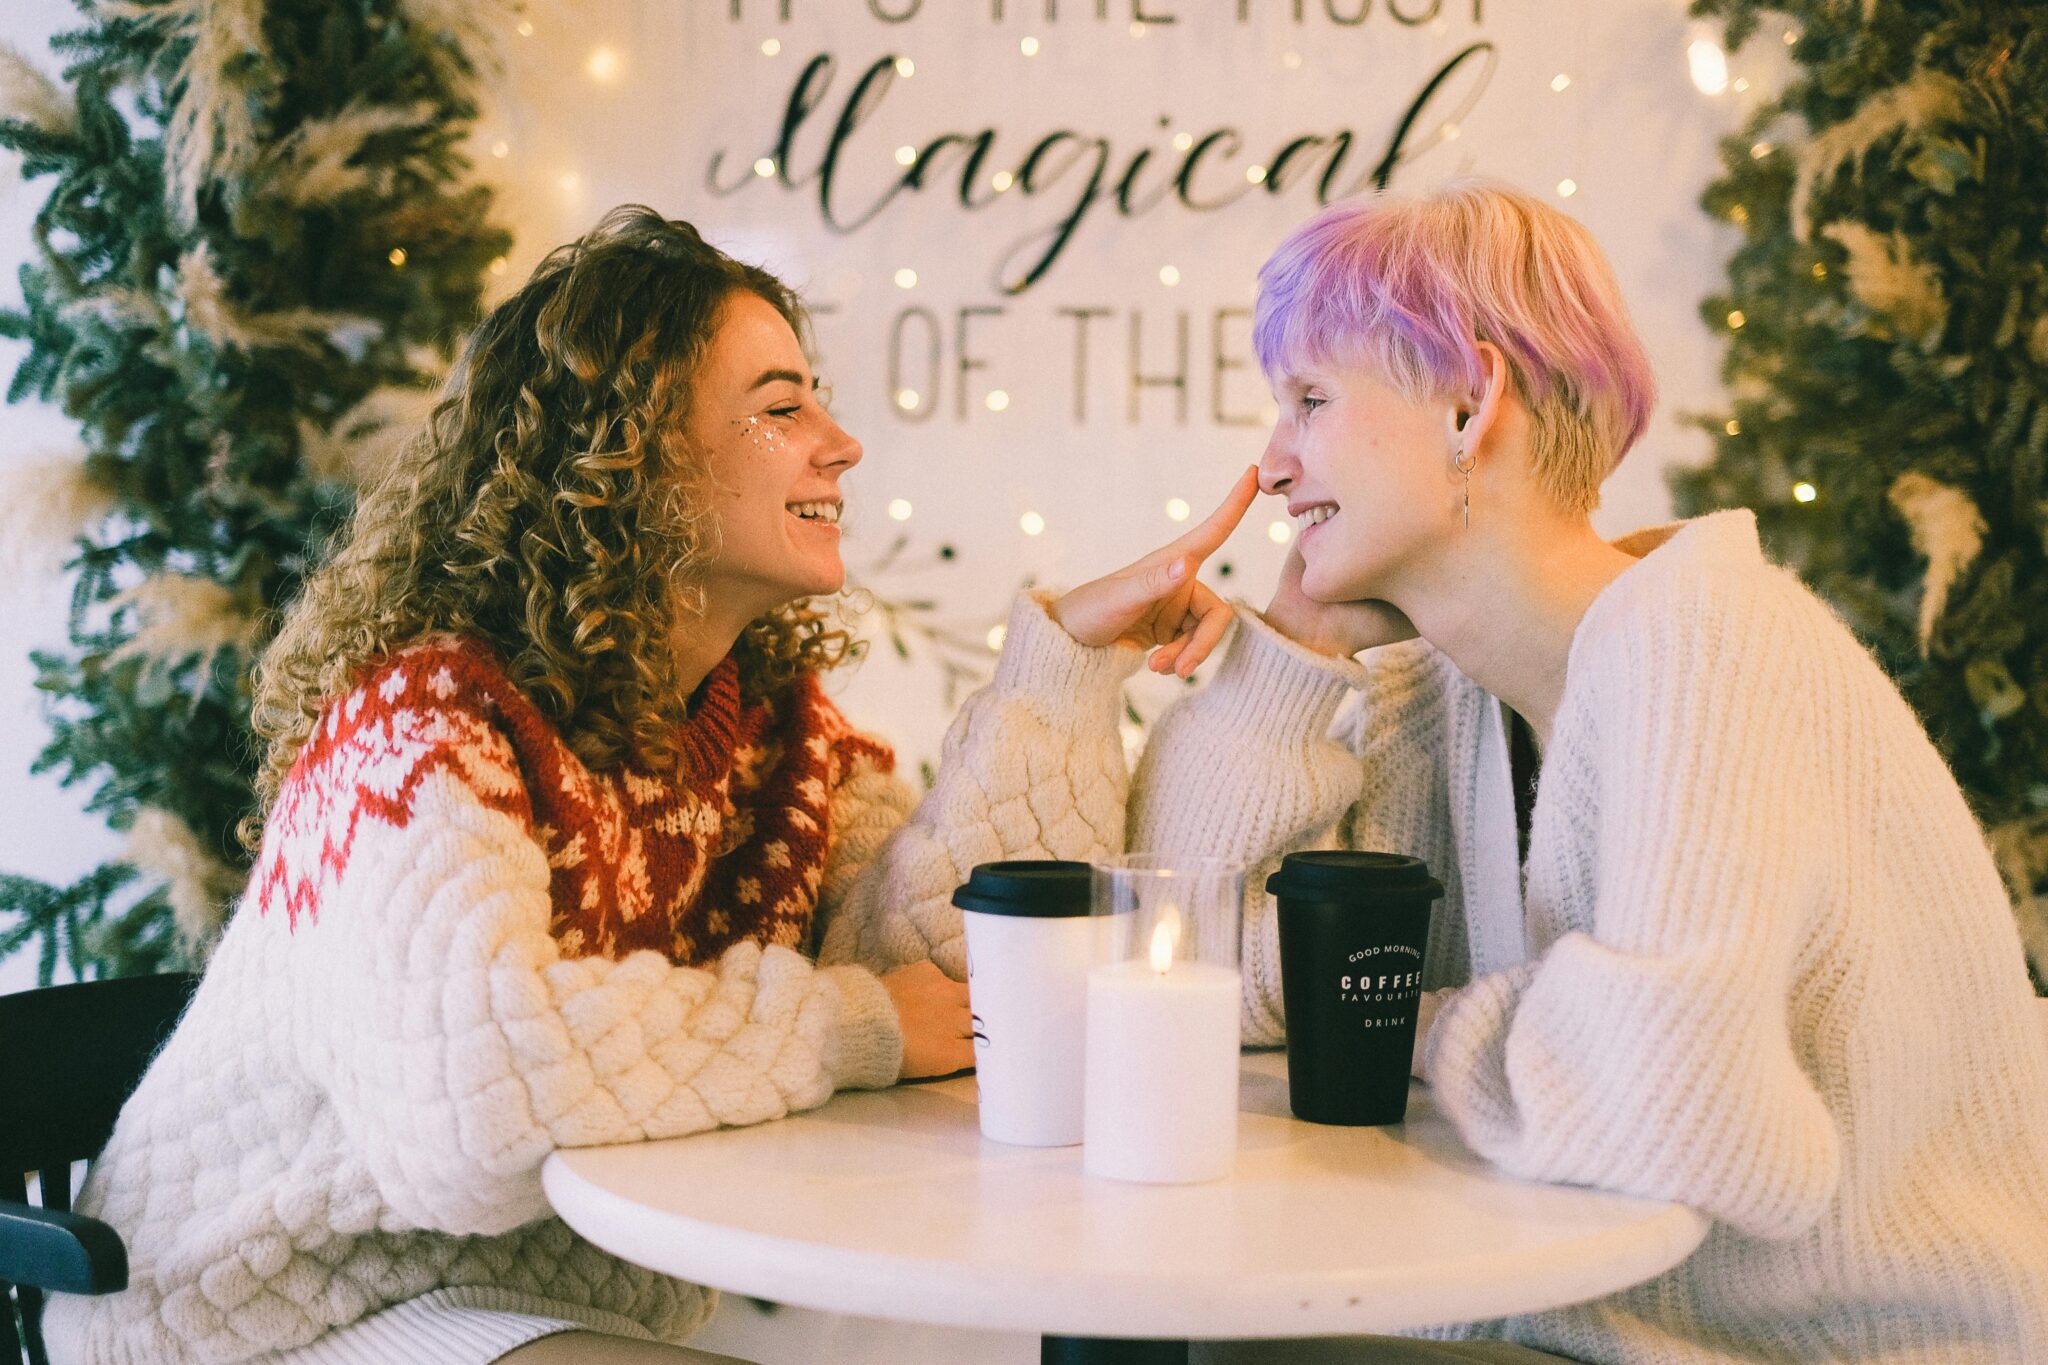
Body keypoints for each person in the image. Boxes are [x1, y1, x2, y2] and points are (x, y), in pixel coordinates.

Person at [41, 207, 1243, 1365]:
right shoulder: (420, 729)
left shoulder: (768, 735)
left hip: (499, 1292)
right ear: (628, 452)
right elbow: (469, 1104)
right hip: (262, 1316)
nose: (842, 442)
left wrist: (1065, 664)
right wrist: (849, 1025)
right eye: (781, 408)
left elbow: (944, 969)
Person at [1051, 177, 2048, 1362]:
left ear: (1471, 402)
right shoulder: (1451, 698)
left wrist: (1413, 1024)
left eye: (1308, 400)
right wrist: (1287, 659)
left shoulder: (1704, 641)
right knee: (1139, 1334)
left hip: (1833, 1353)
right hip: (1574, 1331)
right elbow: (1208, 973)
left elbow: (1675, 1107)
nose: (1269, 469)